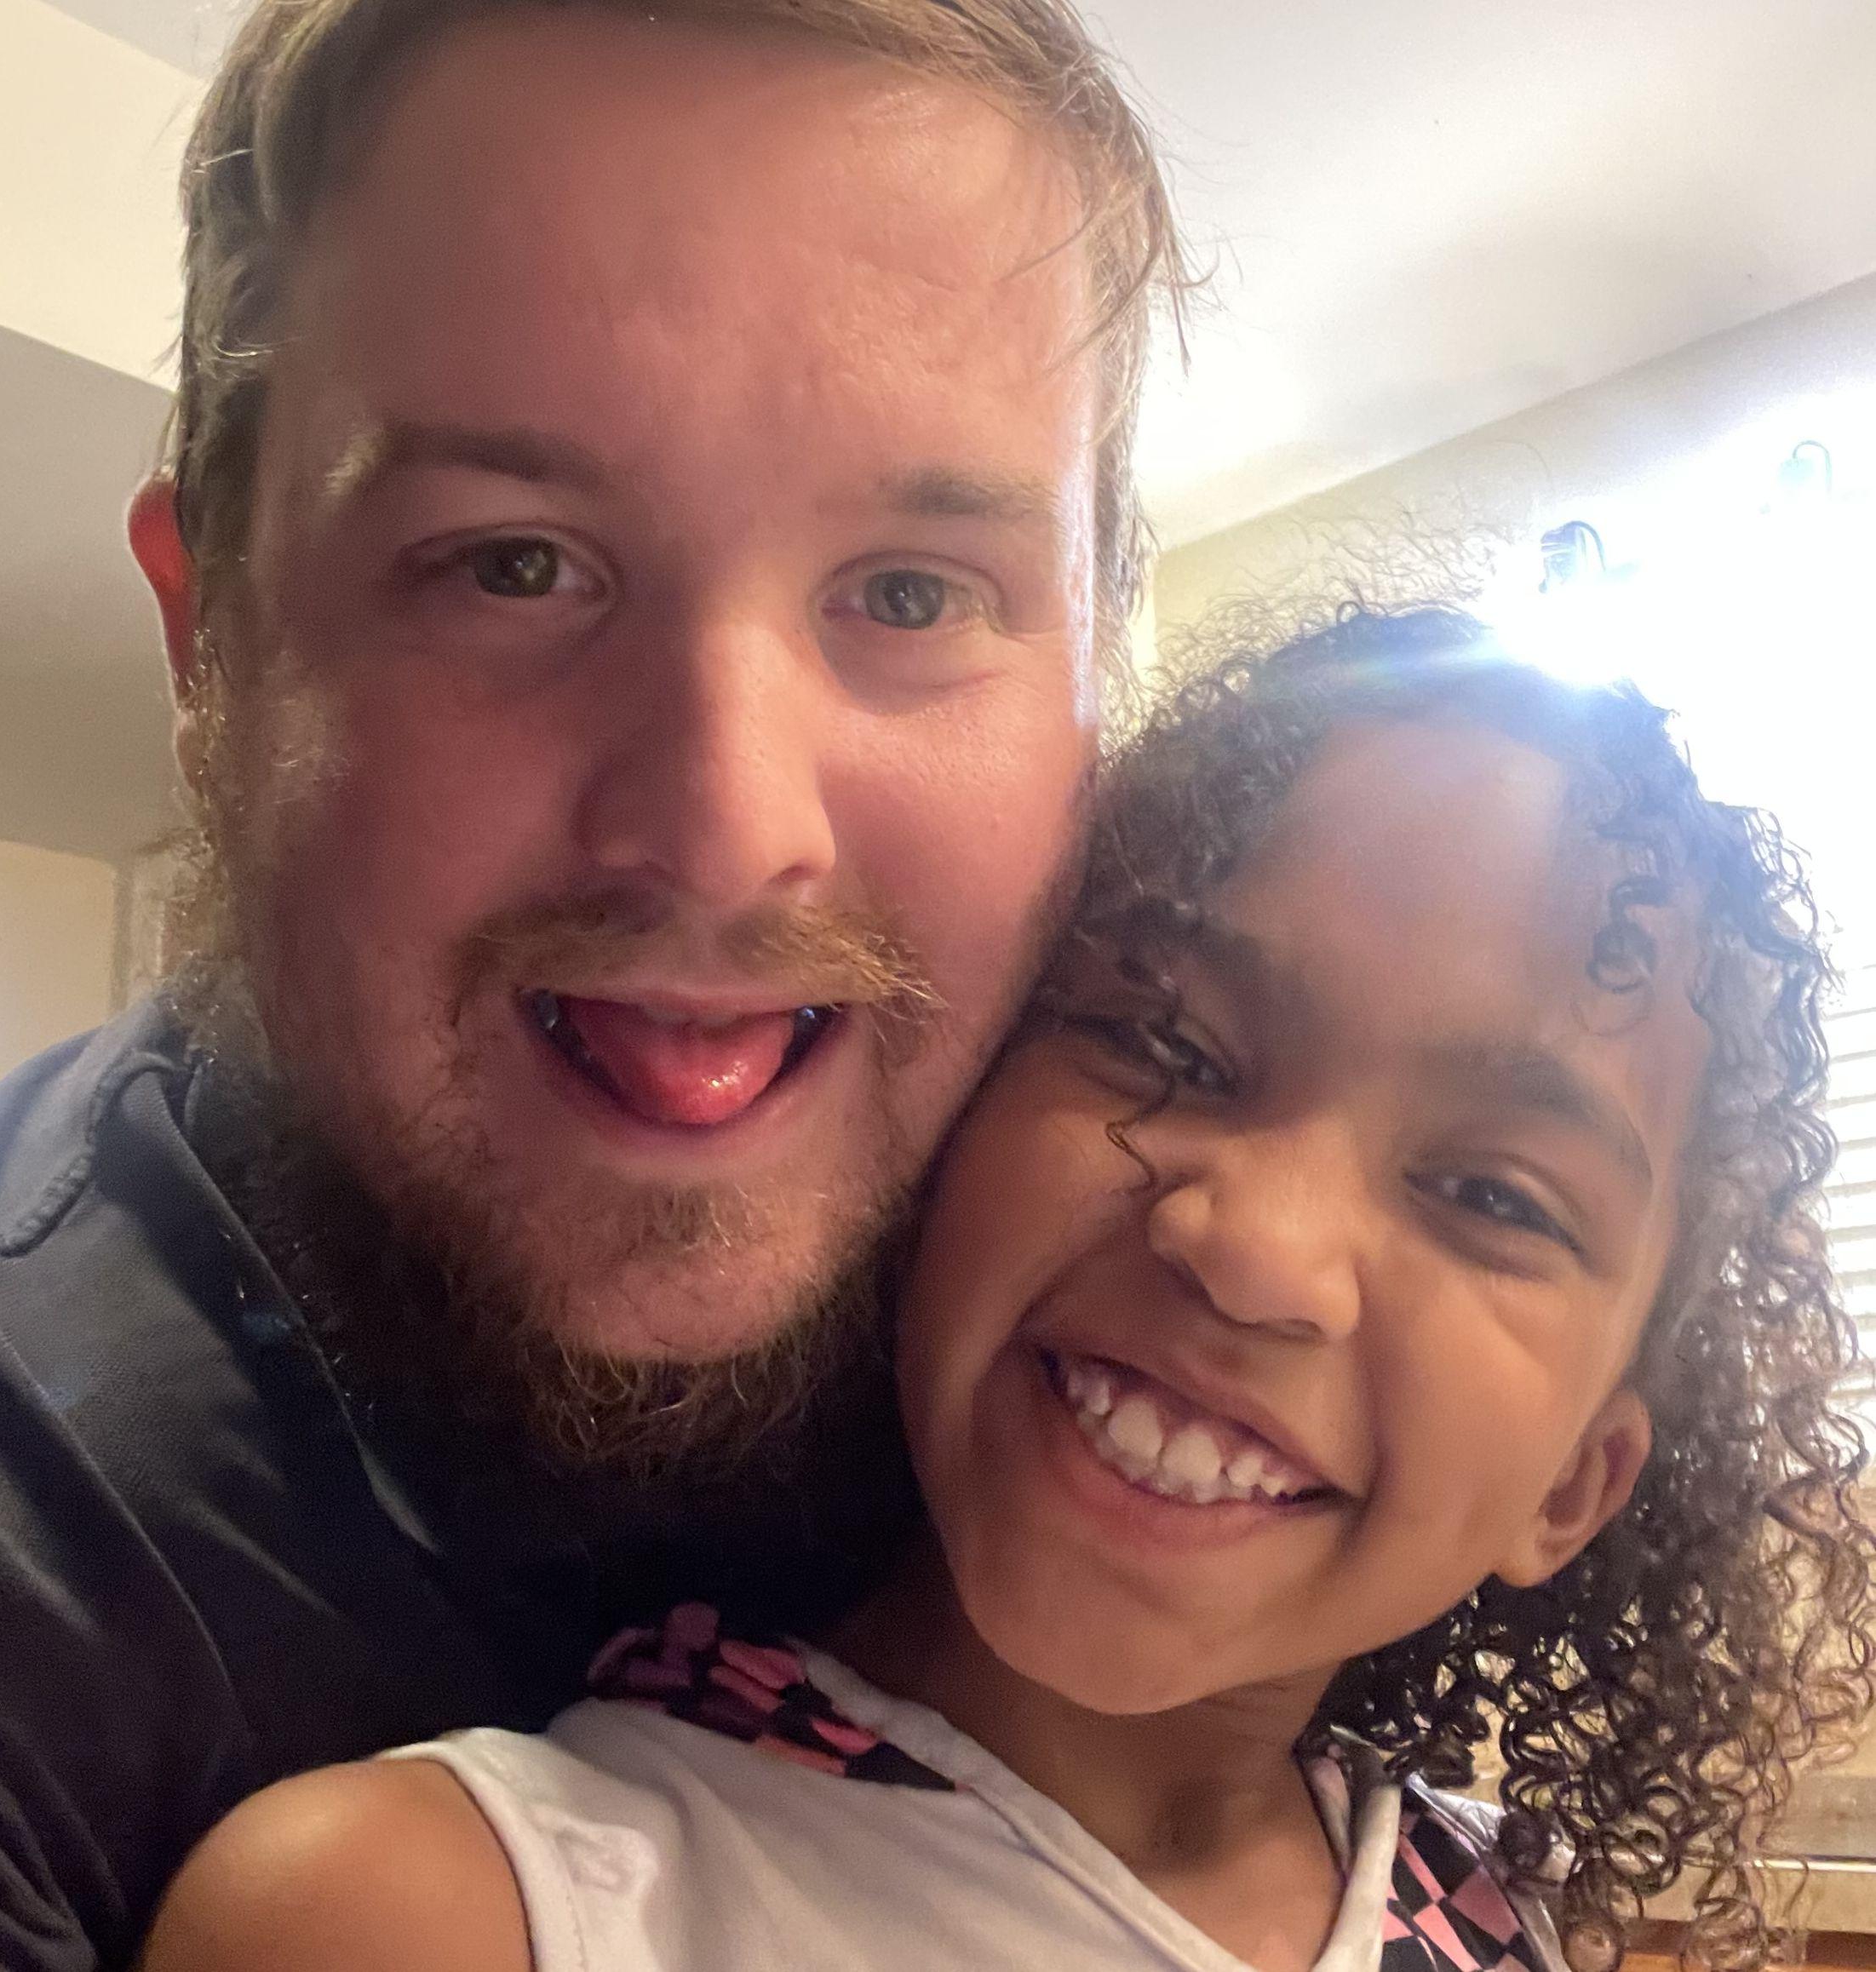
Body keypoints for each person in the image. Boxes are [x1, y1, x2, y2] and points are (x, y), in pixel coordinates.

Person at [0, 2, 1188, 1964]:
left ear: (1099, 683)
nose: (725, 830)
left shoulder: (1163, 1314)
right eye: (514, 565)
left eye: (911, 593)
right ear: (211, 634)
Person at [140, 607, 1873, 1972]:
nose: (1257, 1245)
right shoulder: (451, 1915)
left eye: (1492, 1196)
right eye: (1165, 1040)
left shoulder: (1504, 1916)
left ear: (1577, 1483)